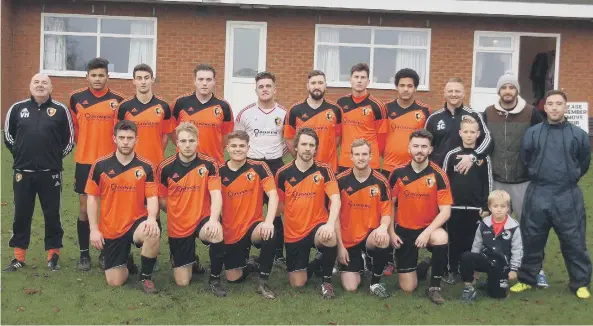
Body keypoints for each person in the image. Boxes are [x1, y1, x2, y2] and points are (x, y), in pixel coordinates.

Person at [511, 90, 592, 300]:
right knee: (531, 238)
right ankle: (527, 278)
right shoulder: (533, 133)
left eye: (559, 104)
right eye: (551, 104)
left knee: (574, 240)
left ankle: (580, 283)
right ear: (544, 108)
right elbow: (526, 158)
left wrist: (569, 177)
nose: (555, 107)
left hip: (567, 195)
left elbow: (583, 162)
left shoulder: (579, 135)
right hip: (538, 192)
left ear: (566, 108)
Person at [3, 73, 74, 272]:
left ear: (51, 88)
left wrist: (54, 159)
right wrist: (19, 154)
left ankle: (53, 256)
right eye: (36, 82)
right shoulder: (17, 109)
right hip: (22, 172)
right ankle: (19, 257)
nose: (40, 85)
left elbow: (69, 140)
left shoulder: (60, 110)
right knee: (21, 214)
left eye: (44, 83)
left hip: (50, 173)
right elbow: (8, 136)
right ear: (30, 86)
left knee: (52, 215)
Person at [483, 71, 547, 287]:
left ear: (517, 91)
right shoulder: (488, 113)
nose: (507, 91)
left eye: (511, 87)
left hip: (523, 180)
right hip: (498, 180)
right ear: (498, 91)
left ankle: (536, 269)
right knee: (497, 226)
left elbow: (541, 142)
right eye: (504, 88)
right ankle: (500, 266)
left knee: (530, 227)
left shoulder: (531, 113)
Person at [85, 121, 160, 293]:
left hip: (136, 222)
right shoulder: (100, 165)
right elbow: (92, 198)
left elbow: (152, 196)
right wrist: (94, 229)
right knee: (115, 281)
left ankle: (146, 277)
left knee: (152, 232)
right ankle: (126, 260)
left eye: (129, 138)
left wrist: (151, 218)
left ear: (136, 140)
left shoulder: (146, 166)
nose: (125, 142)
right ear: (114, 139)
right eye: (121, 138)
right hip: (111, 228)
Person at [156, 122, 227, 296]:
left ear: (197, 142)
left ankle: (215, 280)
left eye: (191, 140)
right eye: (183, 141)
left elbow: (217, 194)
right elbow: (160, 198)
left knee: (216, 232)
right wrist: (175, 211)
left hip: (203, 219)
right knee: (182, 282)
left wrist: (213, 219)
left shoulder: (209, 164)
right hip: (178, 225)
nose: (187, 145)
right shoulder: (165, 167)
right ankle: (191, 261)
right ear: (177, 143)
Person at [68, 58, 125, 271]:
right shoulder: (75, 99)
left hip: (111, 163)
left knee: (108, 209)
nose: (98, 79)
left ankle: (106, 252)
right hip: (84, 162)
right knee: (84, 208)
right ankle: (84, 254)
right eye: (94, 75)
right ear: (87, 77)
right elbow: (74, 130)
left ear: (107, 77)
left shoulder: (118, 100)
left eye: (101, 75)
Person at [388, 129, 452, 304]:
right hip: (404, 230)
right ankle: (424, 266)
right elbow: (389, 205)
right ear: (409, 148)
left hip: (428, 229)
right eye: (416, 146)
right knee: (408, 288)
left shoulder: (438, 174)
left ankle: (434, 288)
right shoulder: (398, 173)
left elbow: (446, 210)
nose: (419, 150)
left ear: (430, 150)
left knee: (441, 237)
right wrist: (392, 233)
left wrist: (426, 232)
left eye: (424, 147)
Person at [276, 127, 340, 299]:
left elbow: (336, 199)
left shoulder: (324, 170)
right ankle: (318, 262)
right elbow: (279, 204)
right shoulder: (283, 173)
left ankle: (326, 282)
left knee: (330, 236)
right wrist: (294, 212)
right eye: (303, 144)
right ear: (296, 147)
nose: (307, 148)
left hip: (317, 227)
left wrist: (329, 224)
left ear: (315, 148)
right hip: (294, 233)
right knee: (297, 283)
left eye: (311, 145)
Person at [382, 68, 432, 276]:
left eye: (409, 86)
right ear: (396, 87)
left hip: (414, 172)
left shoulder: (424, 111)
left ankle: (409, 254)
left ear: (415, 88)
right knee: (387, 213)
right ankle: (386, 259)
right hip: (388, 169)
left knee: (407, 214)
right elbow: (380, 138)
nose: (405, 89)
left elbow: (427, 140)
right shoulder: (385, 109)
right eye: (402, 85)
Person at [235, 71, 287, 266]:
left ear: (275, 89)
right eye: (261, 87)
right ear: (256, 90)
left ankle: (278, 255)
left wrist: (277, 155)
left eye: (268, 86)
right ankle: (245, 252)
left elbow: (287, 141)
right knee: (250, 210)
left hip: (275, 165)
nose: (265, 90)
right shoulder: (245, 113)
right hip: (252, 165)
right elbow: (237, 141)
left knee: (277, 210)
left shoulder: (284, 113)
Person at [219, 131, 279, 299]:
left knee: (270, 232)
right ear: (227, 148)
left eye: (242, 146)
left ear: (248, 148)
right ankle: (251, 265)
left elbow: (273, 195)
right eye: (234, 146)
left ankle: (263, 281)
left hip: (254, 226)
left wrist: (268, 222)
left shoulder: (259, 167)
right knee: (233, 278)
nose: (238, 149)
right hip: (231, 231)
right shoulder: (219, 171)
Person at [335, 139, 392, 298]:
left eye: (364, 154)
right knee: (350, 287)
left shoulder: (381, 181)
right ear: (350, 156)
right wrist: (340, 246)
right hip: (348, 240)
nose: (361, 158)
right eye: (357, 154)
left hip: (369, 236)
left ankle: (375, 283)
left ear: (371, 156)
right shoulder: (340, 181)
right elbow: (334, 216)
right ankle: (359, 261)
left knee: (383, 239)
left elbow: (387, 212)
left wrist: (382, 228)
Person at [442, 116, 492, 284]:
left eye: (472, 132)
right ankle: (452, 270)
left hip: (475, 208)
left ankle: (471, 270)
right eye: (466, 132)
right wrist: (443, 204)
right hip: (454, 207)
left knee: (473, 241)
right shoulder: (451, 154)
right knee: (453, 240)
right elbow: (444, 181)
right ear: (460, 133)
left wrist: (486, 206)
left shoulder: (483, 157)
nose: (469, 135)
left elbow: (488, 182)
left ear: (478, 134)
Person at [459, 190, 523, 303]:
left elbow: (517, 249)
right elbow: (477, 243)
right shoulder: (484, 224)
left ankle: (493, 282)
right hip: (486, 259)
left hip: (502, 265)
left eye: (503, 206)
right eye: (495, 206)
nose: (499, 209)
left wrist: (514, 269)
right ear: (489, 207)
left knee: (497, 295)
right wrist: (473, 266)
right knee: (466, 257)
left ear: (508, 208)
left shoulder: (514, 227)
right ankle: (468, 287)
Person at [171, 64, 234, 165]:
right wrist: (183, 146)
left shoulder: (223, 106)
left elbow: (226, 137)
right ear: (195, 81)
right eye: (201, 79)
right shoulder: (180, 103)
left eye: (208, 80)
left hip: (214, 163)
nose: (204, 83)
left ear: (214, 82)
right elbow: (172, 130)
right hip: (185, 163)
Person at [425, 77, 492, 168]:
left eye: (457, 91)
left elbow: (487, 140)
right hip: (439, 172)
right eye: (450, 91)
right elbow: (425, 146)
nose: (453, 94)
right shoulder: (433, 118)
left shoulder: (474, 116)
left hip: (463, 171)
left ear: (464, 94)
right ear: (444, 93)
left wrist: (473, 157)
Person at [116, 64, 174, 167]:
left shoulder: (163, 106)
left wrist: (157, 152)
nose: (143, 82)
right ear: (134, 81)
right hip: (130, 163)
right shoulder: (124, 107)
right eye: (139, 78)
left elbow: (165, 136)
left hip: (156, 162)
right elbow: (118, 135)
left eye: (146, 78)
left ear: (152, 80)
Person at [284, 70, 342, 171]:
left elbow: (337, 137)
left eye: (320, 83)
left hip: (329, 167)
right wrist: (300, 158)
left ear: (325, 86)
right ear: (307, 86)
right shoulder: (295, 110)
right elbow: (289, 139)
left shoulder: (335, 110)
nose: (317, 86)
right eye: (313, 83)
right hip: (304, 167)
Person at [337, 63, 387, 172]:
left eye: (363, 77)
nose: (359, 81)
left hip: (369, 163)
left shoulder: (378, 106)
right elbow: (339, 133)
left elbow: (382, 139)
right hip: (346, 160)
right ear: (350, 80)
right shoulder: (341, 102)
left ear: (368, 81)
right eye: (356, 77)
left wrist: (371, 156)